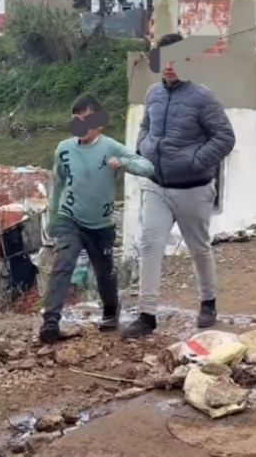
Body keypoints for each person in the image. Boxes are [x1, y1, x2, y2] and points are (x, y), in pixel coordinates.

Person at [123, 32, 236, 339]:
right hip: (156, 185)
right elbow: (146, 127)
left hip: (193, 188)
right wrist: (143, 149)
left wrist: (195, 161)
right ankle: (147, 314)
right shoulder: (153, 94)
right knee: (150, 243)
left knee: (198, 248)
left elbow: (225, 138)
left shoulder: (203, 97)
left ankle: (208, 302)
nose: (169, 66)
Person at [39, 95, 154, 344]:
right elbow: (57, 185)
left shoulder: (110, 146)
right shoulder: (64, 149)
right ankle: (50, 321)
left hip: (101, 225)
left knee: (105, 271)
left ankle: (110, 311)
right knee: (64, 263)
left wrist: (123, 162)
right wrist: (52, 217)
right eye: (76, 120)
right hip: (70, 218)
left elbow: (147, 167)